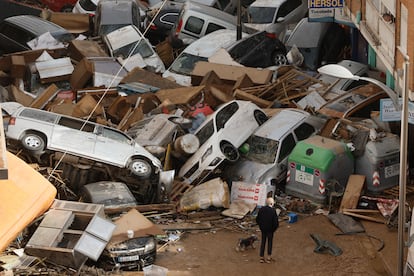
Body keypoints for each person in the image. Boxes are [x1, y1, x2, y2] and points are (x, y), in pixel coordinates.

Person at [256, 197, 279, 263]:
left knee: (263, 242)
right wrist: (273, 229)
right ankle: (268, 257)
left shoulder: (261, 209)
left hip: (263, 229)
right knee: (270, 243)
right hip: (270, 230)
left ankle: (261, 257)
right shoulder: (273, 211)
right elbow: (276, 223)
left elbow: (257, 220)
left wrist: (261, 226)